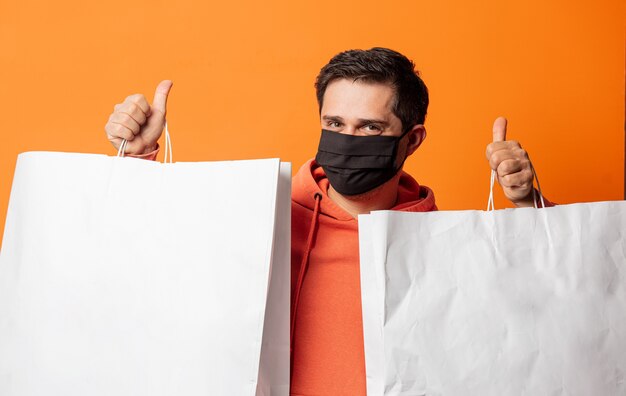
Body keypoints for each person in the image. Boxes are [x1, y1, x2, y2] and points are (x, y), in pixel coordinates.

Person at [104, 47, 550, 395]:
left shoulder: (444, 243)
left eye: (370, 128)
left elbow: (534, 321)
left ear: (412, 140)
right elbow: (151, 269)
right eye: (334, 123)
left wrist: (528, 203)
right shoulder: (261, 221)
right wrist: (136, 158)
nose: (347, 140)